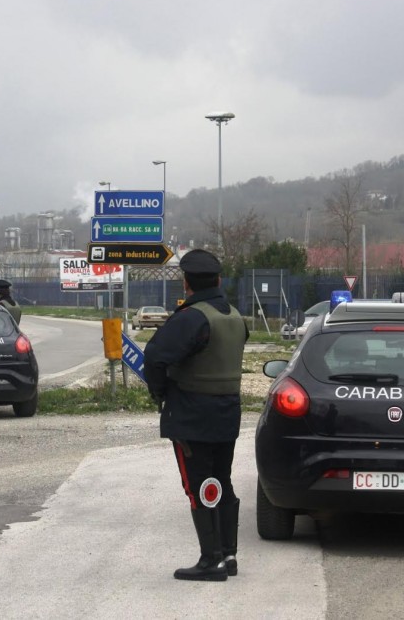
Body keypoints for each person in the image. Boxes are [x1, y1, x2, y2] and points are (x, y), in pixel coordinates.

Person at [143, 249, 249, 582]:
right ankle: (229, 555)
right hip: (228, 412)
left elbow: (155, 358)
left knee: (199, 486)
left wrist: (161, 394)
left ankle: (211, 560)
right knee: (222, 481)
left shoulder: (191, 317)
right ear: (218, 280)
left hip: (192, 413)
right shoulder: (234, 316)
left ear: (186, 284)